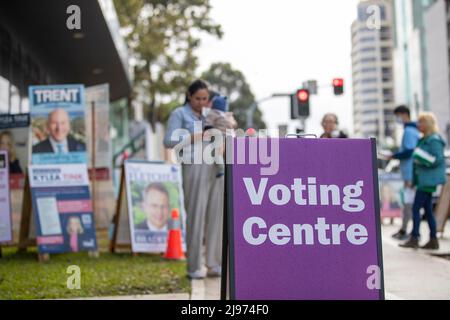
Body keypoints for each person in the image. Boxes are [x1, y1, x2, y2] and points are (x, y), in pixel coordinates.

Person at [163, 79, 223, 279]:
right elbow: (169, 140)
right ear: (189, 96)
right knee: (196, 215)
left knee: (216, 215)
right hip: (193, 164)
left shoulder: (209, 113)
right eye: (198, 98)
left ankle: (214, 263)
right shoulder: (179, 114)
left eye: (205, 98)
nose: (201, 102)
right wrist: (193, 136)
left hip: (214, 164)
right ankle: (194, 266)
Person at [400, 113, 446, 250]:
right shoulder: (424, 139)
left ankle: (415, 237)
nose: (418, 125)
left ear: (428, 124)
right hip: (422, 180)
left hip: (428, 181)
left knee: (416, 208)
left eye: (421, 122)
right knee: (427, 211)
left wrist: (422, 158)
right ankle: (433, 239)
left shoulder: (434, 140)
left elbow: (437, 159)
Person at [389, 105, 420, 240]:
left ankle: (408, 231)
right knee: (410, 203)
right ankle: (405, 229)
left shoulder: (409, 131)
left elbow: (409, 151)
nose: (397, 119)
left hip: (410, 173)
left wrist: (395, 156)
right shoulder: (413, 130)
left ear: (403, 114)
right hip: (410, 172)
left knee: (409, 203)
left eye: (398, 116)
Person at [204, 95, 238, 177]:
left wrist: (208, 128)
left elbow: (207, 123)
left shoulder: (212, 113)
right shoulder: (227, 115)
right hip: (231, 136)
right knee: (228, 155)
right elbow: (234, 125)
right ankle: (230, 170)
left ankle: (221, 168)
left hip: (220, 135)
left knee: (216, 152)